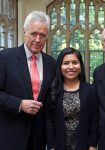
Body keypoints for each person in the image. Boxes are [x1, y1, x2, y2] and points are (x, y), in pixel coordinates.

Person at [0, 11, 56, 150]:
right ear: (24, 32)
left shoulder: (51, 63)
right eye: (34, 33)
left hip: (38, 138)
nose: (38, 39)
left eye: (42, 35)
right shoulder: (5, 58)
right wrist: (19, 104)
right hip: (10, 135)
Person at [45, 47, 99, 150]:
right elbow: (49, 121)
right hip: (59, 145)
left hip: (84, 145)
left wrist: (92, 145)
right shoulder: (52, 90)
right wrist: (51, 146)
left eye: (75, 62)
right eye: (66, 63)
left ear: (80, 66)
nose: (71, 67)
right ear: (60, 66)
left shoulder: (90, 90)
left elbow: (94, 120)